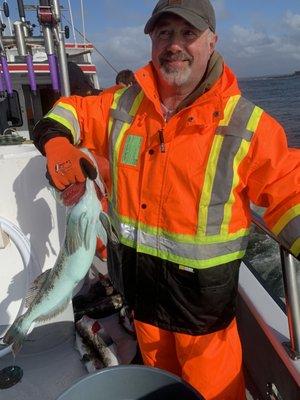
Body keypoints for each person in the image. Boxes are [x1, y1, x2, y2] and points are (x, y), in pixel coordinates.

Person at [33, 1, 300, 399]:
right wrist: (56, 141)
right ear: (152, 42)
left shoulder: (247, 126)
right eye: (163, 34)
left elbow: (289, 191)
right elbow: (69, 111)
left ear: (212, 40)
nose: (174, 45)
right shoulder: (121, 106)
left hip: (203, 325)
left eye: (187, 33)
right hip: (143, 311)